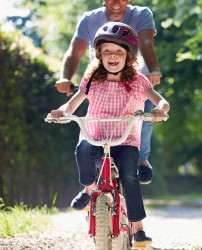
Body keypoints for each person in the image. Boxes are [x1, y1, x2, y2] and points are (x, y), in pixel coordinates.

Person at [48, 22, 170, 243]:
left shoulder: (137, 80)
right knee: (82, 149)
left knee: (130, 177)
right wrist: (62, 111)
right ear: (99, 54)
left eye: (118, 52)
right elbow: (73, 103)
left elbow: (159, 100)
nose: (112, 56)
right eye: (106, 51)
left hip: (125, 140)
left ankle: (138, 228)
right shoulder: (93, 78)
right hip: (95, 136)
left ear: (129, 56)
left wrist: (161, 109)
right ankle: (89, 189)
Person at [55, 0, 160, 184]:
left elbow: (145, 42)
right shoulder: (89, 18)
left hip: (133, 82)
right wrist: (66, 77)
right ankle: (90, 188)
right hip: (102, 81)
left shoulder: (142, 14)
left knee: (144, 117)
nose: (116, 2)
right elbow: (75, 51)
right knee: (92, 130)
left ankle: (141, 160)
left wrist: (153, 70)